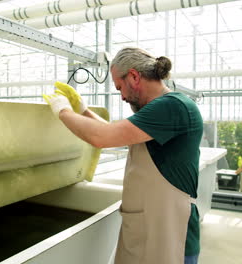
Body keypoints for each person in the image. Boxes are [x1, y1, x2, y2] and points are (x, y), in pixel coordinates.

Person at [43, 47, 203, 264]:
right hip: (151, 228)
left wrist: (63, 112)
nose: (122, 97)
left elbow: (103, 137)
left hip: (170, 234)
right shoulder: (163, 109)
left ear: (134, 76)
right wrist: (82, 111)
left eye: (120, 87)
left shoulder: (171, 106)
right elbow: (115, 133)